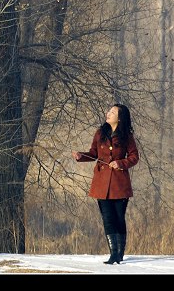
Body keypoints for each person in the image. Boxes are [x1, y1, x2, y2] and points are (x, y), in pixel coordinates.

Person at [72, 103, 139, 265]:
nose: (107, 113)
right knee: (107, 219)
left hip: (119, 184)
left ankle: (120, 253)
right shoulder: (99, 133)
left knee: (119, 218)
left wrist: (121, 163)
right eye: (108, 110)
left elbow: (134, 157)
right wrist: (81, 156)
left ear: (120, 117)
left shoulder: (126, 137)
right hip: (101, 184)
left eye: (112, 112)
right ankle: (113, 254)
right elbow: (94, 154)